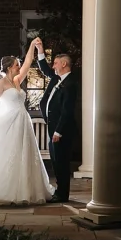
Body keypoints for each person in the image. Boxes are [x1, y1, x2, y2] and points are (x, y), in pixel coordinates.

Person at [0, 38, 55, 209]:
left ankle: (24, 190)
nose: (19, 67)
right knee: (9, 155)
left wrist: (32, 46)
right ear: (9, 67)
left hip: (23, 122)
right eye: (16, 65)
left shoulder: (15, 81)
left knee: (24, 155)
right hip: (9, 122)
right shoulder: (1, 84)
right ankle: (5, 191)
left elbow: (29, 62)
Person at [35, 39, 77, 203]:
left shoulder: (70, 83)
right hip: (52, 128)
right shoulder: (56, 78)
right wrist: (40, 50)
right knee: (56, 161)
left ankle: (63, 194)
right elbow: (45, 69)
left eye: (56, 63)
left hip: (62, 131)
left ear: (64, 64)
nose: (53, 66)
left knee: (61, 162)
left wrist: (58, 131)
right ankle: (60, 192)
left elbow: (67, 111)